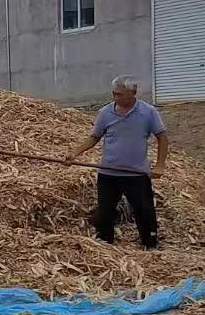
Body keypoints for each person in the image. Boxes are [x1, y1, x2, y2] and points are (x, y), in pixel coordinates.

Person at [65, 76, 169, 249]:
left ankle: (150, 243)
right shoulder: (105, 113)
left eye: (120, 94)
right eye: (114, 94)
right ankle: (106, 244)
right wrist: (74, 153)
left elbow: (162, 137)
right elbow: (94, 137)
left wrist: (160, 165)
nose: (116, 98)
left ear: (133, 93)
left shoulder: (148, 112)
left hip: (136, 174)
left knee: (144, 210)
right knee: (105, 212)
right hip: (108, 173)